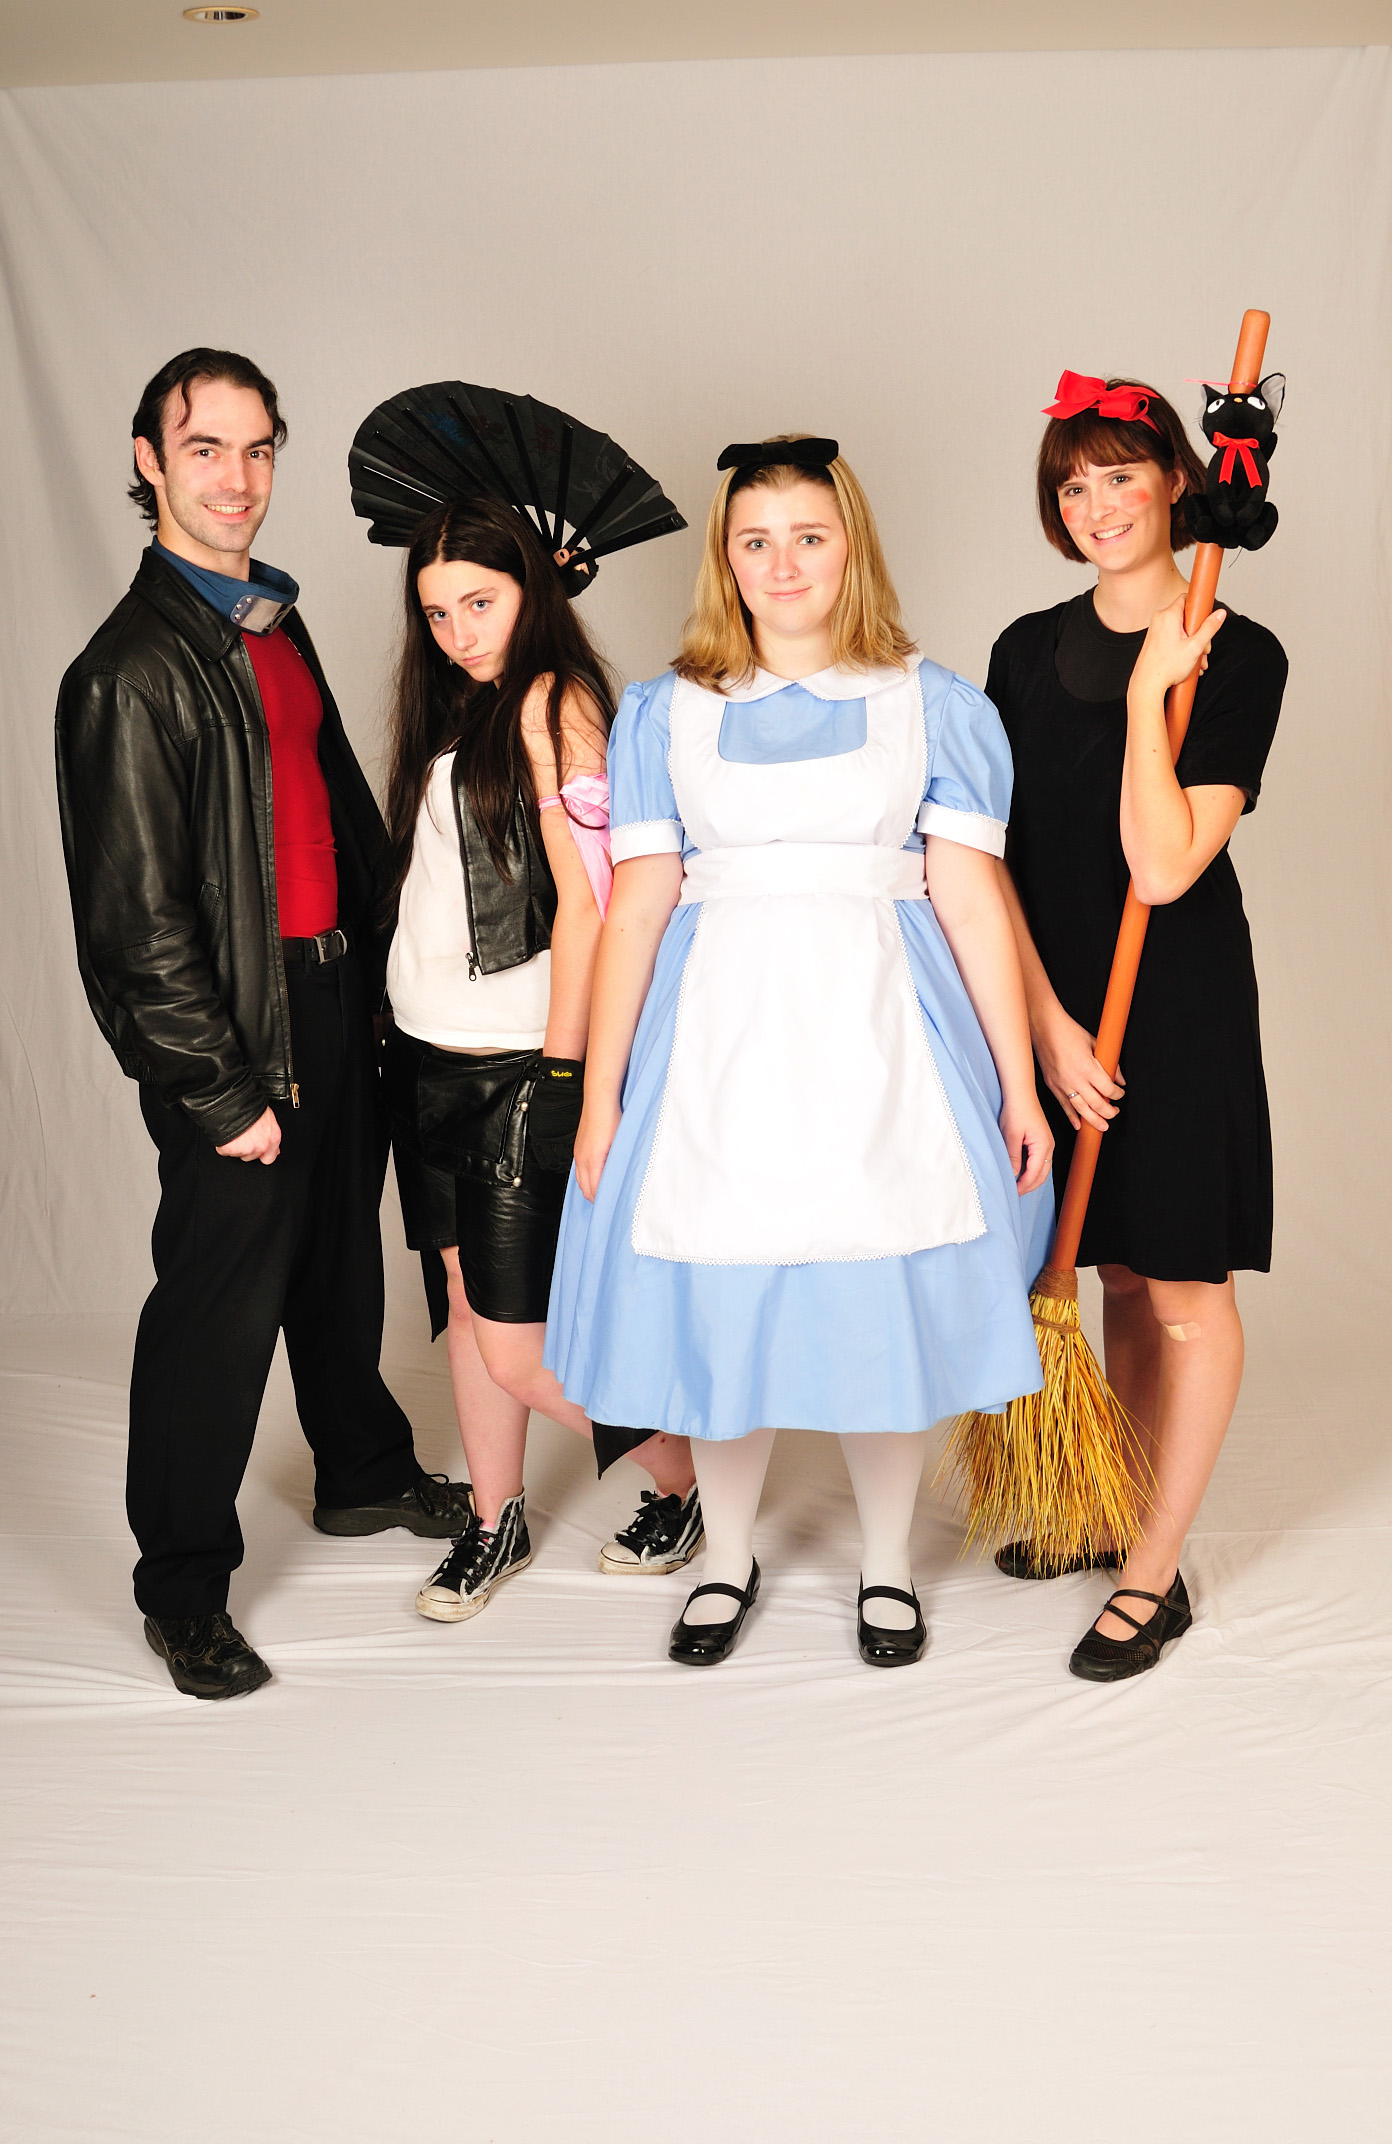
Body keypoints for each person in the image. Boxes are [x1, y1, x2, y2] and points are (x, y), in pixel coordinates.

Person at [545, 436, 1055, 1667]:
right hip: (718, 1039)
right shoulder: (664, 711)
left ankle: (886, 1563)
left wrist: (1019, 1080)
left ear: (850, 547)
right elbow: (636, 907)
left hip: (883, 1033)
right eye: (755, 540)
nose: (782, 564)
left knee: (881, 1293)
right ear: (725, 558)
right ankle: (725, 1555)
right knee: (724, 1293)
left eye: (808, 537)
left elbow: (971, 900)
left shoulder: (931, 702)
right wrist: (600, 1093)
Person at [55, 348, 466, 1701]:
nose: (236, 478)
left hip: (335, 994)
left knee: (341, 1258)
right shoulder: (129, 668)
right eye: (205, 448)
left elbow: (333, 820)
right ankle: (181, 1588)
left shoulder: (269, 627)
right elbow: (135, 925)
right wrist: (218, 1089)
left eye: (257, 448)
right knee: (218, 1310)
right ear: (149, 460)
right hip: (236, 1021)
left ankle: (361, 1469)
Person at [988, 372, 1287, 1680]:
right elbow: (984, 861)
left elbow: (1161, 866)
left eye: (1119, 474)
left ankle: (1152, 1571)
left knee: (1178, 1286)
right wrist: (1045, 1025)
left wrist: (1150, 694)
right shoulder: (1020, 649)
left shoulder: (1239, 652)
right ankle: (1108, 1499)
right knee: (1104, 1269)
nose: (1096, 503)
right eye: (1073, 482)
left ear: (1176, 479)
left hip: (1178, 1006)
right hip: (1053, 1004)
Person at [379, 497, 700, 1624]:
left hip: (521, 1063)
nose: (458, 632)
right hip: (427, 1057)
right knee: (466, 1313)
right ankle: (493, 1519)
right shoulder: (463, 709)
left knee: (520, 1346)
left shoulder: (553, 702)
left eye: (481, 602)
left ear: (532, 590)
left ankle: (699, 1487)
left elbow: (592, 903)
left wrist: (568, 1076)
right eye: (438, 613)